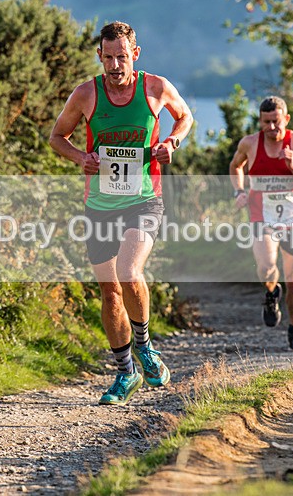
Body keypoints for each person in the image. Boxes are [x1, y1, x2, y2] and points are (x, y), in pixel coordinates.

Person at [49, 21, 193, 405]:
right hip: (99, 206)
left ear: (135, 54)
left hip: (144, 200)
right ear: (100, 55)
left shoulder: (155, 88)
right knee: (110, 293)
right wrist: (81, 158)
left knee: (129, 272)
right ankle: (126, 373)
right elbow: (57, 137)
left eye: (122, 57)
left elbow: (185, 116)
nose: (115, 65)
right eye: (108, 57)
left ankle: (145, 347)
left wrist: (172, 142)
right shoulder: (86, 94)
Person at [229, 96, 293, 351]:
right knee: (267, 267)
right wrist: (239, 191)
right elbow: (235, 166)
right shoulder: (250, 143)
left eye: (276, 121)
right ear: (260, 121)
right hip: (262, 216)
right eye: (266, 122)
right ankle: (271, 293)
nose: (271, 127)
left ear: (286, 119)